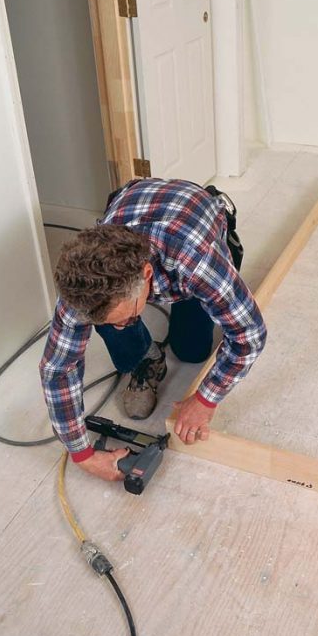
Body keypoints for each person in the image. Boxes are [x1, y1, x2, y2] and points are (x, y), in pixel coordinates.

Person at [39, 179, 266, 482]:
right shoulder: (81, 285)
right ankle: (148, 358)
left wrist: (205, 400)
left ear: (146, 275)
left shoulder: (195, 259)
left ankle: (176, 305)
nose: (116, 328)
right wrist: (82, 454)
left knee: (192, 351)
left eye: (125, 316)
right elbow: (58, 368)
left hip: (192, 222)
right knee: (117, 329)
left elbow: (249, 334)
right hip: (135, 208)